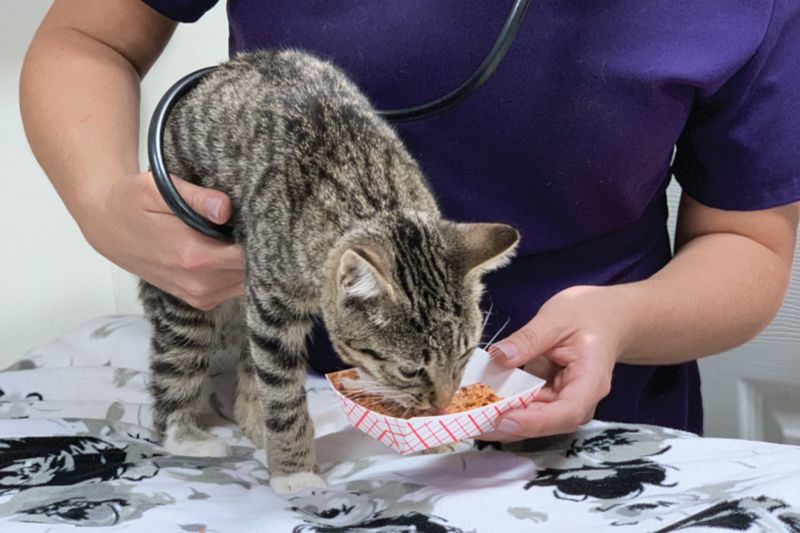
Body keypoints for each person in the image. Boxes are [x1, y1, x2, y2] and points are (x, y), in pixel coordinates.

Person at [21, 0, 800, 441]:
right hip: (291, 406)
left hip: (589, 422)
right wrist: (101, 201)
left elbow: (748, 240)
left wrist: (623, 320)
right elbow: (87, 38)